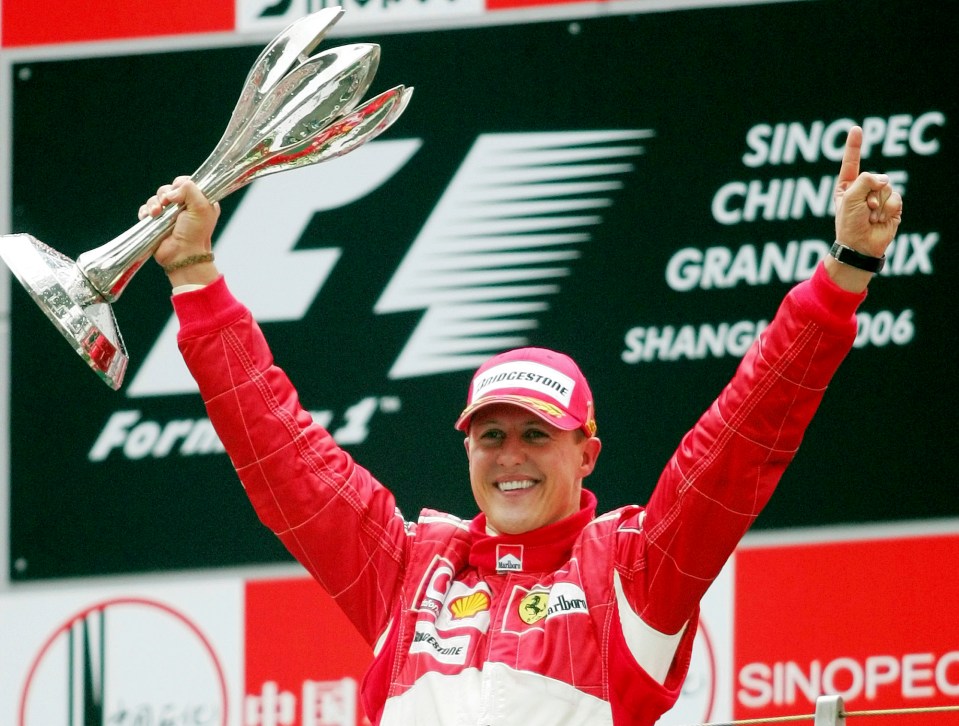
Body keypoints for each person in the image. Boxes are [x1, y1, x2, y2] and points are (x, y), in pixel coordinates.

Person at [142, 125, 901, 725]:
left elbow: (741, 439)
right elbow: (285, 455)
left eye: (537, 434)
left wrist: (837, 280)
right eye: (491, 434)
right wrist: (195, 277)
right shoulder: (408, 574)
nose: (511, 456)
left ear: (587, 452)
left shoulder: (633, 575)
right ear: (466, 445)